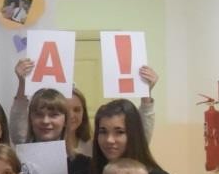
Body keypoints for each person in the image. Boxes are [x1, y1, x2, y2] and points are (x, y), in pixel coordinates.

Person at [10, 60, 158, 156]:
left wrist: (146, 94)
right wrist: (22, 83)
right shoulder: (33, 143)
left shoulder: (94, 147)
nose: (71, 115)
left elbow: (138, 140)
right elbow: (18, 128)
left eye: (77, 110)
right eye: (65, 110)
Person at [14, 86, 93, 174]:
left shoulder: (84, 165)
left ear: (65, 120)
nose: (45, 121)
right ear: (30, 119)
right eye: (39, 114)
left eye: (53, 115)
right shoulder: (15, 162)